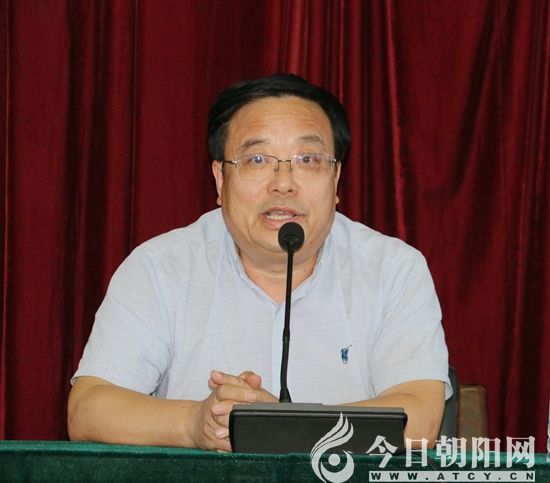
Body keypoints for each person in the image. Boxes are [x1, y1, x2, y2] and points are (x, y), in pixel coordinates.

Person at [68, 73, 451, 452]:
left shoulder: (392, 270)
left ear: (336, 178)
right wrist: (194, 423)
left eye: (308, 159)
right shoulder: (159, 268)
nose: (283, 183)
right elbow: (87, 409)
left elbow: (418, 418)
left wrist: (280, 428)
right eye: (256, 159)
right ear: (220, 179)